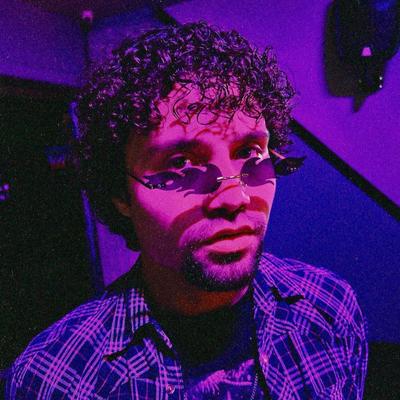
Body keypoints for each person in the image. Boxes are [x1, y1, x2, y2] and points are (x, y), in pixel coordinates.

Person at [6, 22, 367, 399]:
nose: (234, 197)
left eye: (249, 152)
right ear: (120, 195)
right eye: (181, 164)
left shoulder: (329, 307)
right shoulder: (54, 379)